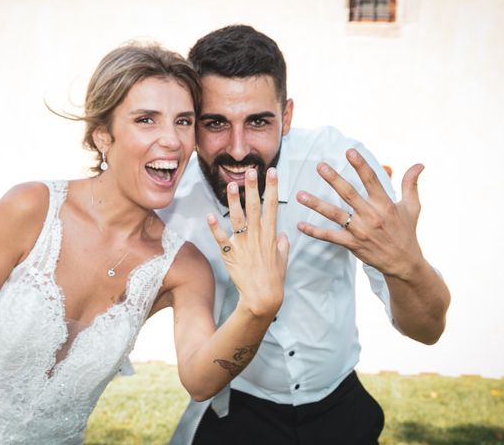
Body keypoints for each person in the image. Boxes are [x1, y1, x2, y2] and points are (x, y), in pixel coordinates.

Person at [0, 43, 290, 444]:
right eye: (146, 119)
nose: (171, 140)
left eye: (183, 121)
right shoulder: (30, 209)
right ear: (102, 135)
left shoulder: (183, 267)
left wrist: (256, 310)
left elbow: (201, 381)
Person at [159, 25, 451, 444]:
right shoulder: (173, 199)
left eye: (259, 122)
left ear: (288, 116)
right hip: (235, 409)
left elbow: (428, 330)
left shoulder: (340, 168)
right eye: (216, 123)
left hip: (340, 407)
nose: (238, 149)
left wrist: (408, 266)